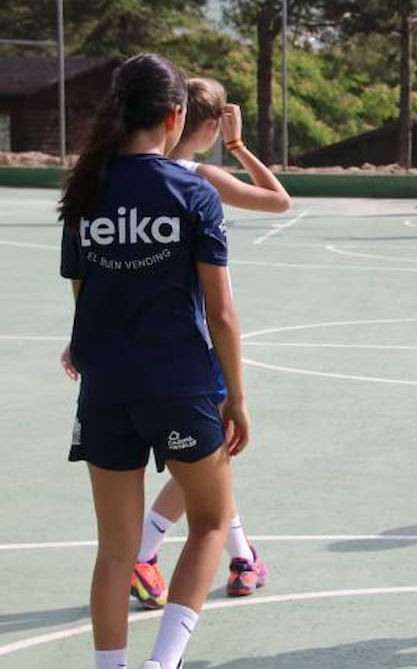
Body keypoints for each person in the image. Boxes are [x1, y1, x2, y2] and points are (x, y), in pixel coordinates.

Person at [57, 53, 250, 669]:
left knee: (115, 551)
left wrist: (82, 344)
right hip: (178, 384)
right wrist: (237, 397)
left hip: (106, 388)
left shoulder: (86, 187)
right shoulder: (191, 190)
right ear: (175, 116)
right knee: (212, 522)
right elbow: (220, 313)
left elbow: (83, 294)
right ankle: (162, 663)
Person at [120, 77, 287, 612]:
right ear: (213, 125)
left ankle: (242, 558)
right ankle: (145, 553)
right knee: (210, 458)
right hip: (201, 339)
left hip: (150, 338)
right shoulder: (202, 177)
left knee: (214, 461)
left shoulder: (143, 176)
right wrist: (240, 148)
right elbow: (279, 201)